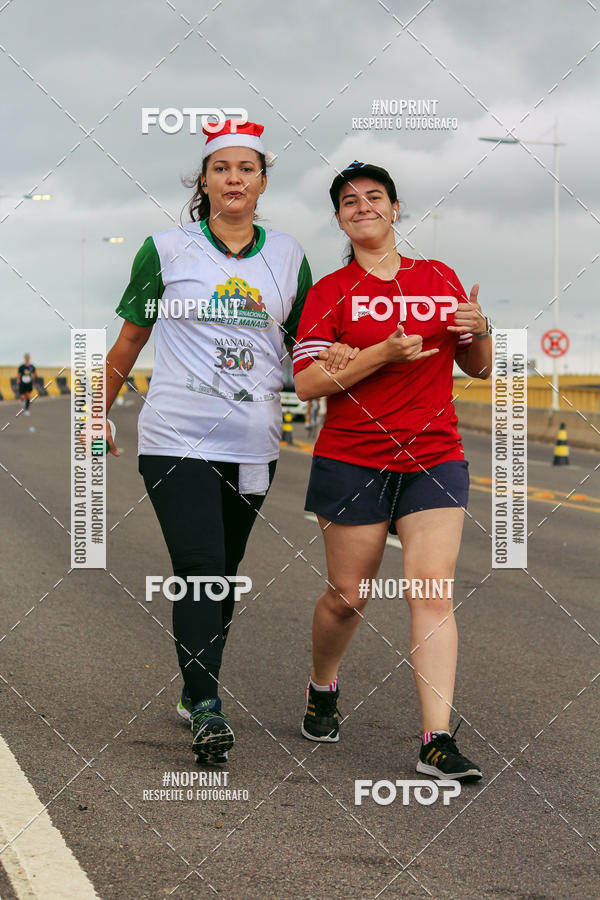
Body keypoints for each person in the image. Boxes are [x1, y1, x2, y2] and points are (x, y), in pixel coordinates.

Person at [102, 120, 354, 765]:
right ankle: (208, 708)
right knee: (202, 570)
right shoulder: (164, 249)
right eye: (221, 168)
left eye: (246, 168)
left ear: (263, 181)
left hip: (253, 443)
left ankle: (195, 687)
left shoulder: (288, 255)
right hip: (176, 434)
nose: (234, 179)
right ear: (204, 182)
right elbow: (130, 341)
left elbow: (308, 350)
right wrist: (92, 412)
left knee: (226, 572)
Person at [293, 161, 493, 781]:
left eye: (374, 197)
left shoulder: (439, 277)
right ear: (338, 219)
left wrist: (481, 331)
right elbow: (305, 384)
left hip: (435, 456)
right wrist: (380, 353)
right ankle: (322, 686)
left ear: (396, 208)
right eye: (349, 202)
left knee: (431, 590)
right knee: (348, 597)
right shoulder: (330, 293)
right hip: (352, 457)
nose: (363, 207)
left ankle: (436, 739)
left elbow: (478, 367)